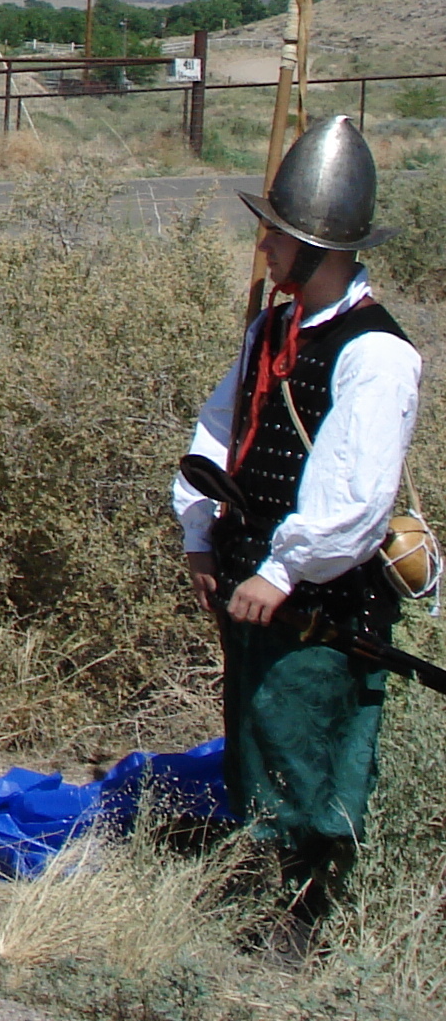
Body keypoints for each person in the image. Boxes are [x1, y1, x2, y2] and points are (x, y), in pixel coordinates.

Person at [175, 113, 426, 917]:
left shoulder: (377, 354)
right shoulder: (272, 328)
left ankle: (305, 923)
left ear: (320, 247)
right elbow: (222, 429)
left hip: (321, 603)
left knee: (308, 758)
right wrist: (201, 537)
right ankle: (255, 898)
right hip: (252, 581)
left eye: (280, 236)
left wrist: (283, 570)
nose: (267, 248)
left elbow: (357, 500)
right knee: (255, 744)